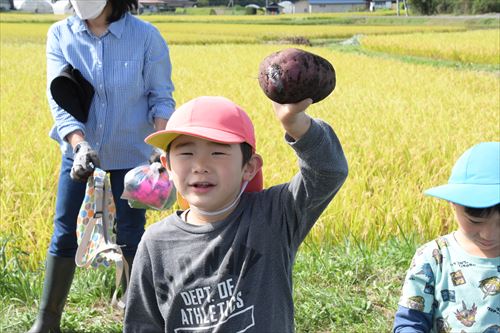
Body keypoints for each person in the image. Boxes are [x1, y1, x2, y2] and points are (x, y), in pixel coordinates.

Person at [123, 96, 348, 332]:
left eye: (217, 153)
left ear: (249, 167)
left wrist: (296, 124)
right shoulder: (156, 242)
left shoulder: (273, 216)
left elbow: (328, 171)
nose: (200, 166)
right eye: (186, 154)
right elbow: (143, 323)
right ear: (167, 165)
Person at [29, 0, 175, 332]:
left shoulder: (146, 37)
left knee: (131, 234)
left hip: (133, 153)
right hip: (80, 150)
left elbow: (161, 96)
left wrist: (159, 146)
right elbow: (61, 100)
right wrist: (79, 145)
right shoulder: (61, 35)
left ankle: (138, 319)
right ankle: (47, 321)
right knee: (64, 231)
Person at [393, 142, 500, 333]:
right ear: (453, 203)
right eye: (475, 221)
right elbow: (410, 322)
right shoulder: (434, 258)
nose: (489, 234)